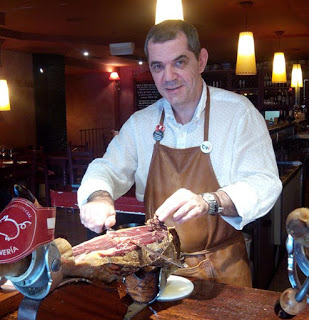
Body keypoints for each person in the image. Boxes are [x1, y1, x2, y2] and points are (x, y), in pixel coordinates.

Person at [77, 20, 282, 287]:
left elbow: (264, 181)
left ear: (201, 61)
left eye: (180, 62)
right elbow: (108, 168)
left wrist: (209, 201)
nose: (168, 76)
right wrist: (98, 197)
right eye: (158, 66)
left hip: (221, 271)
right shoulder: (141, 123)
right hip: (156, 271)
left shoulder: (238, 113)